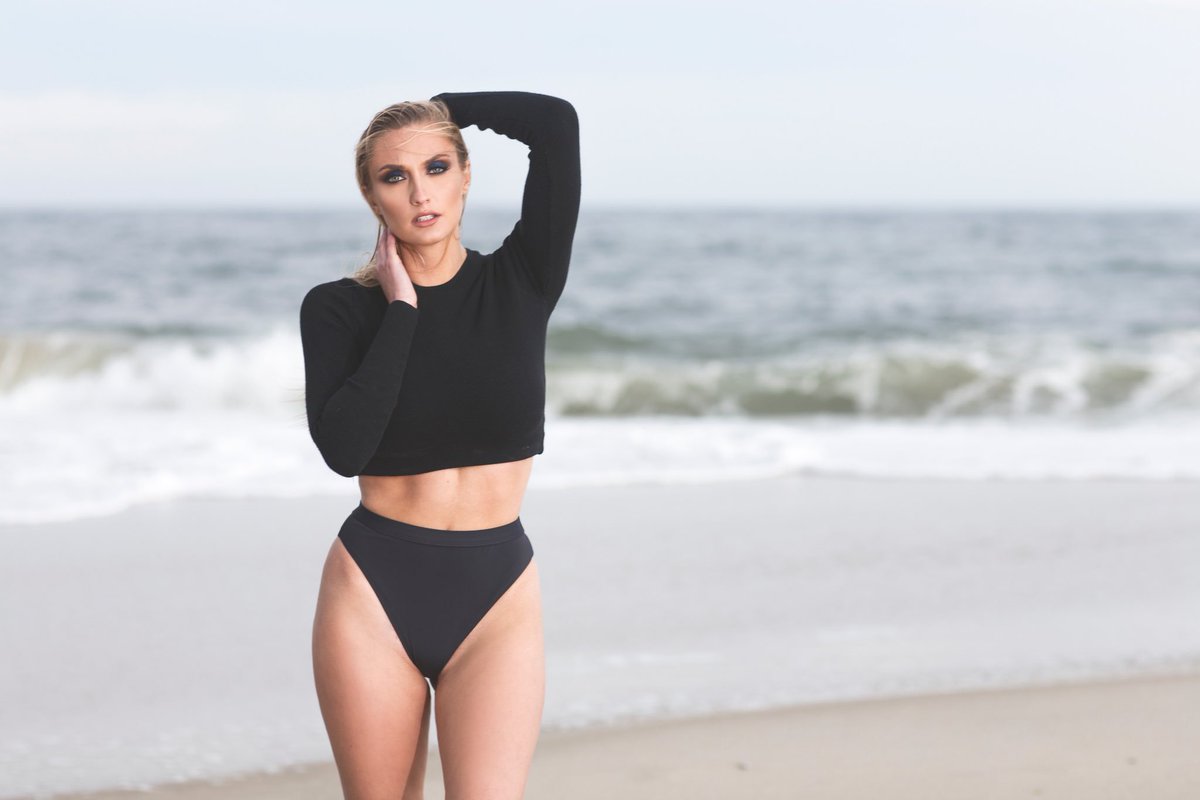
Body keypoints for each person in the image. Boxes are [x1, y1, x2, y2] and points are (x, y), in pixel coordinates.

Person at [298, 90, 580, 799]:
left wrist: (442, 105)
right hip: (373, 590)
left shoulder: (523, 280)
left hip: (498, 596)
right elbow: (345, 450)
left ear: (465, 174)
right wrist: (399, 309)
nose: (421, 190)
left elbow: (556, 125)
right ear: (372, 196)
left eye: (436, 165)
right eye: (395, 176)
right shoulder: (337, 309)